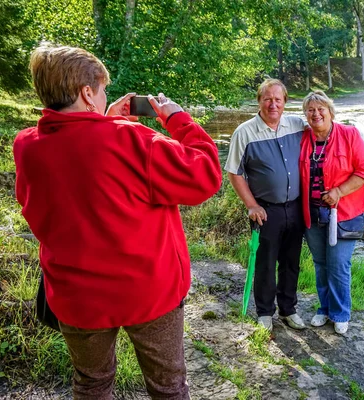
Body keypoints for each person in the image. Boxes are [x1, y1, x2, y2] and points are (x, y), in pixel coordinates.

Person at [13, 44, 222, 399]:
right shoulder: (130, 139)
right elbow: (205, 175)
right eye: (103, 90)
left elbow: (56, 192)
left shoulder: (26, 146)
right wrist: (178, 119)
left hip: (76, 296)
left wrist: (107, 118)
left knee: (92, 384)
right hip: (148, 292)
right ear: (87, 93)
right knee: (168, 387)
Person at [225, 79, 306, 332]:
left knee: (291, 262)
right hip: (265, 211)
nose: (273, 104)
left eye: (278, 99)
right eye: (267, 99)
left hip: (295, 207)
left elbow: (324, 133)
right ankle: (264, 312)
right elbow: (234, 173)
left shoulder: (297, 125)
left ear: (285, 102)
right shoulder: (244, 133)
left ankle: (288, 309)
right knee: (266, 263)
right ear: (259, 101)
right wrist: (251, 205)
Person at [299, 90, 364, 335]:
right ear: (306, 115)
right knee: (320, 264)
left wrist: (339, 191)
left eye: (321, 109)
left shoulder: (349, 134)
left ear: (331, 112)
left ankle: (341, 313)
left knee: (339, 263)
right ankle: (324, 308)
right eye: (311, 110)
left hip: (343, 213)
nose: (316, 113)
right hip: (311, 213)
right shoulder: (303, 138)